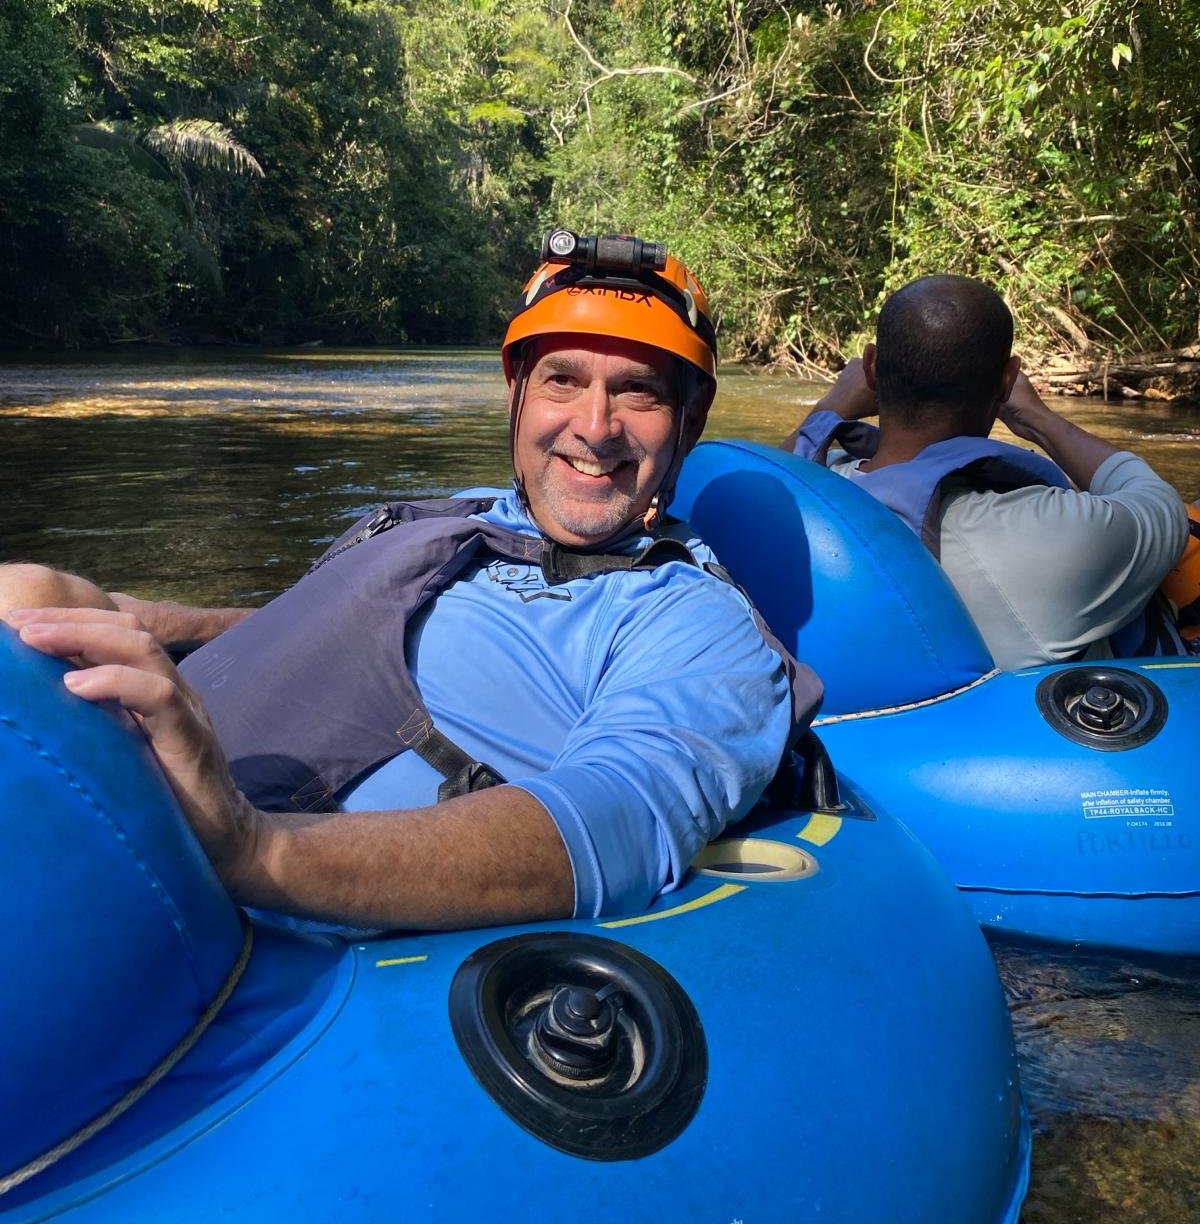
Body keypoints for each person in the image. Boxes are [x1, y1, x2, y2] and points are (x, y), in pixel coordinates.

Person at [4, 232, 817, 931]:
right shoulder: (463, 518)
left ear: (689, 423)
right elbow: (339, 625)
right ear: (519, 394)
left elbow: (617, 818)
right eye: (563, 380)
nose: (594, 427)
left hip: (210, 896)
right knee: (33, 591)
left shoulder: (692, 623)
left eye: (637, 391)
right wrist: (149, 619)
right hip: (107, 790)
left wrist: (254, 845)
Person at [786, 274, 1189, 671]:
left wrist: (833, 405)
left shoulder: (805, 495)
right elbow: (1160, 503)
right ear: (1008, 379)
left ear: (871, 368)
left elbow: (763, 474)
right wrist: (1038, 419)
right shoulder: (1060, 532)